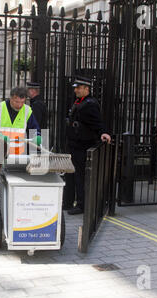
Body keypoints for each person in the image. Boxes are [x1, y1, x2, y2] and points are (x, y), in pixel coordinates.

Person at [63, 76, 111, 215]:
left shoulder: (90, 104)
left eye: (79, 88)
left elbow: (97, 122)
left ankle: (82, 205)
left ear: (87, 89)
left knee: (80, 176)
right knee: (71, 174)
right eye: (75, 88)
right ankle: (68, 202)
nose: (76, 90)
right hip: (73, 145)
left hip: (82, 146)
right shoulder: (79, 101)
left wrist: (103, 132)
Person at [0, 87, 41, 156]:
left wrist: (37, 135)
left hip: (17, 155)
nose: (19, 105)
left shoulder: (27, 111)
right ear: (11, 98)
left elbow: (34, 128)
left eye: (22, 102)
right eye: (17, 102)